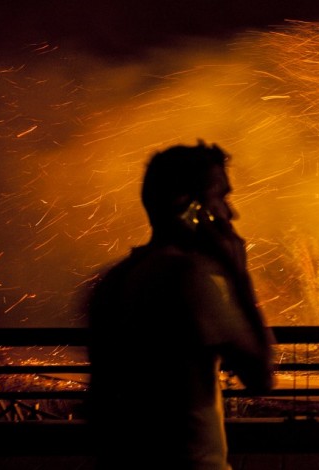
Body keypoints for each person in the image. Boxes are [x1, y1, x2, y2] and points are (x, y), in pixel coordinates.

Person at [87, 141, 274, 469]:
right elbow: (261, 375)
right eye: (222, 196)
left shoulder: (113, 279)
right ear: (189, 208)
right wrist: (237, 273)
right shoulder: (187, 280)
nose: (231, 213)